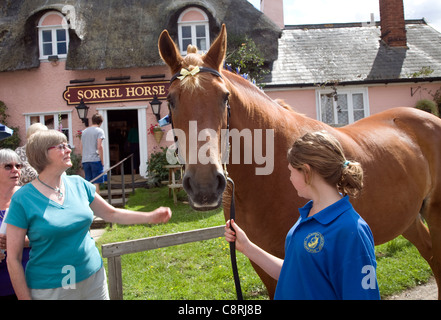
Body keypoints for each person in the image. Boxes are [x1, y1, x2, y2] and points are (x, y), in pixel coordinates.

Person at [6, 130, 172, 300]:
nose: (69, 150)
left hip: (94, 278)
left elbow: (111, 213)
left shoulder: (78, 184)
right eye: (61, 146)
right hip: (53, 287)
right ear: (43, 154)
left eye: (67, 145)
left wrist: (150, 216)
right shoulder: (23, 199)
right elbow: (13, 259)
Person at [225, 131, 380, 300]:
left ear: (306, 172)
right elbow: (295, 274)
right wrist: (247, 247)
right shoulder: (309, 214)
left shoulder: (351, 230)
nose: (290, 178)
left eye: (291, 171)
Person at [0, 149, 30, 300]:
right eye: (8, 166)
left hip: (27, 278)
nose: (15, 170)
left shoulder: (28, 197)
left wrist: (15, 242)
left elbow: (45, 235)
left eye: (18, 166)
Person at [80, 113, 105, 194]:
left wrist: (83, 157)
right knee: (96, 181)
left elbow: (81, 146)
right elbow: (99, 146)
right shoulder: (99, 131)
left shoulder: (84, 131)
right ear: (100, 122)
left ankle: (89, 202)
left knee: (89, 181)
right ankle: (97, 203)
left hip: (85, 160)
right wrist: (102, 160)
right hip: (95, 159)